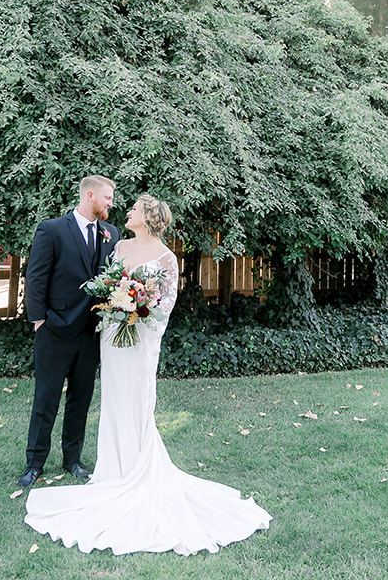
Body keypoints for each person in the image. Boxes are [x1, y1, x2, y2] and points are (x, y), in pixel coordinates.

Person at [24, 194, 272, 554]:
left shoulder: (167, 258)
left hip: (140, 341)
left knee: (136, 400)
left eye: (135, 209)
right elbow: (107, 284)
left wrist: (137, 314)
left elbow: (165, 304)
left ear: (149, 217)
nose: (127, 211)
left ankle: (135, 468)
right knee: (111, 399)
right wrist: (117, 307)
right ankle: (110, 469)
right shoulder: (118, 245)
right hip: (111, 337)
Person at [17, 175, 120, 488]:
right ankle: (34, 463)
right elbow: (35, 277)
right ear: (90, 196)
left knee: (81, 399)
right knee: (46, 398)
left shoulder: (110, 233)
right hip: (55, 329)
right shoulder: (52, 229)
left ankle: (72, 459)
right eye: (107, 199)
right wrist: (39, 320)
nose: (111, 205)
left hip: (92, 332)